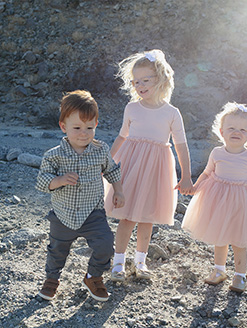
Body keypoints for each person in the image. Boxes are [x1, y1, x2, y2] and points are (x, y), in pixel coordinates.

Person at [105, 49, 193, 281]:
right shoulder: (132, 108)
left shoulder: (171, 113)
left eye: (146, 80)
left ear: (161, 79)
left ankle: (141, 263)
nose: (140, 86)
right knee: (127, 217)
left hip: (156, 169)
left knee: (147, 218)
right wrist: (106, 162)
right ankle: (118, 263)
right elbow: (122, 137)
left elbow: (181, 146)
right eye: (136, 82)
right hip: (131, 168)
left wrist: (186, 176)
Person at [35, 90, 124, 302]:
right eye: (77, 128)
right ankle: (51, 279)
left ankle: (93, 276)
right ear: (63, 126)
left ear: (96, 125)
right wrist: (60, 180)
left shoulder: (100, 150)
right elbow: (42, 182)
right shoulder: (53, 155)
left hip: (93, 212)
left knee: (105, 243)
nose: (84, 133)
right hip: (62, 214)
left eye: (89, 128)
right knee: (57, 250)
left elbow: (112, 170)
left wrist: (119, 190)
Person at [181, 102, 247, 293]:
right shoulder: (217, 152)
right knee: (219, 237)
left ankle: (240, 275)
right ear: (221, 131)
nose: (237, 132)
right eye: (231, 128)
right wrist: (195, 187)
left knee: (239, 240)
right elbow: (206, 173)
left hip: (242, 202)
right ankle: (219, 271)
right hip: (218, 199)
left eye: (243, 129)